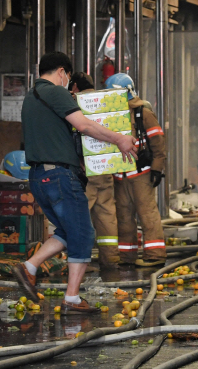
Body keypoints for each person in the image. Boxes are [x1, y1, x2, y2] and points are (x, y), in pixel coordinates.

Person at [13, 52, 137, 313]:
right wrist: (119, 139)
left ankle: (30, 267)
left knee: (68, 231)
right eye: (68, 78)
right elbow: (84, 126)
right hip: (59, 176)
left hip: (38, 177)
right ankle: (71, 299)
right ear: (62, 72)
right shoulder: (54, 92)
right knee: (83, 233)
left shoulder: (30, 97)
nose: (68, 83)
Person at [106, 73, 167, 267]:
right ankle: (126, 256)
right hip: (119, 175)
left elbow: (158, 143)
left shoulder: (143, 113)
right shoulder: (111, 114)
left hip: (140, 174)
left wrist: (157, 169)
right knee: (123, 216)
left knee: (147, 214)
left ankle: (155, 255)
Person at [69, 72, 121, 269]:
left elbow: (76, 135)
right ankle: (111, 260)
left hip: (86, 170)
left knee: (79, 215)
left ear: (74, 86)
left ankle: (73, 261)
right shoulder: (106, 104)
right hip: (105, 167)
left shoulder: (77, 104)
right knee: (107, 213)